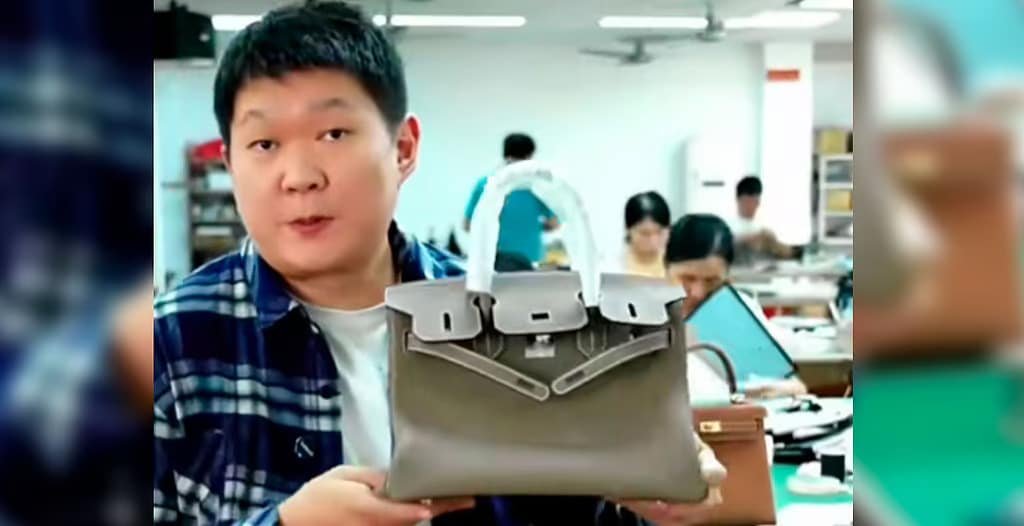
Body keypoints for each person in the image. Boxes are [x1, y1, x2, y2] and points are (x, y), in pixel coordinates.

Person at [153, 3, 719, 525]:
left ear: (403, 148)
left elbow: (574, 512)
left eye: (333, 133)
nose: (299, 176)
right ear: (230, 162)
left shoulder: (509, 320)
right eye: (264, 144)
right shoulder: (169, 343)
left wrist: (654, 495)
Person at [665, 214, 807, 399]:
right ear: (666, 269)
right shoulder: (642, 316)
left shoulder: (737, 311)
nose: (698, 292)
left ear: (728, 276)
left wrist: (779, 389)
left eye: (712, 281)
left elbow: (790, 383)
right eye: (687, 278)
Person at [463, 133, 559, 264]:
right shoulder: (538, 186)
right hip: (530, 259)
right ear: (530, 156)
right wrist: (531, 227)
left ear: (505, 154)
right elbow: (554, 224)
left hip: (495, 259)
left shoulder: (486, 184)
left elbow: (468, 225)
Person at [728, 175, 797, 264]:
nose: (752, 205)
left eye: (755, 201)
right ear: (738, 200)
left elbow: (784, 252)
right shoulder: (728, 226)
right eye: (748, 201)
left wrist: (773, 243)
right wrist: (749, 239)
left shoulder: (763, 227)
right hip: (741, 269)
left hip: (766, 269)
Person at [609, 192, 671, 278]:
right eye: (645, 233)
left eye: (659, 232)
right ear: (628, 230)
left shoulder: (678, 266)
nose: (653, 240)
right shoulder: (611, 268)